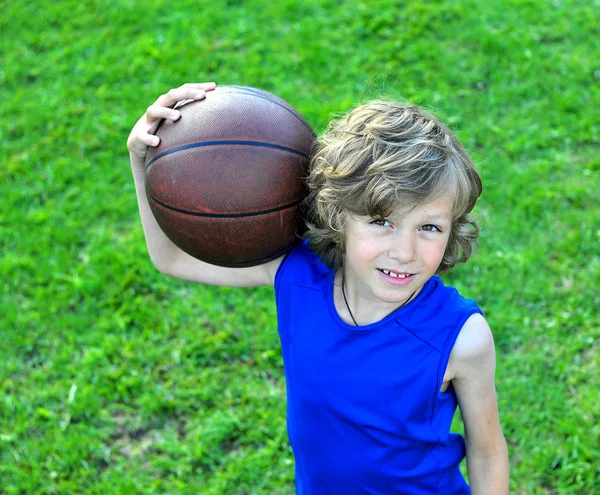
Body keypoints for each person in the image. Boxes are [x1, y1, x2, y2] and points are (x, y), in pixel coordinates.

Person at [127, 83, 509, 494]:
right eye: (382, 221)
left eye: (429, 227)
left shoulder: (460, 339)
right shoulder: (296, 276)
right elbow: (170, 259)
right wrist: (142, 160)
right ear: (338, 214)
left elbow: (486, 451)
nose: (404, 252)